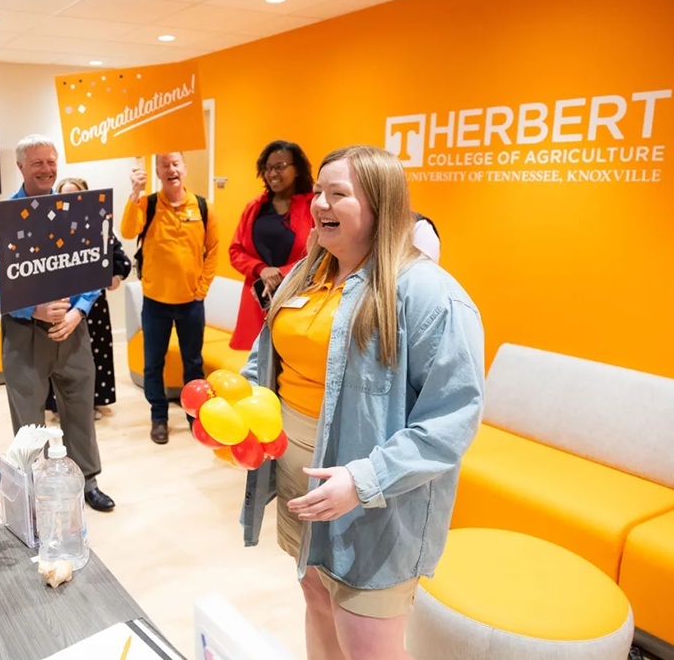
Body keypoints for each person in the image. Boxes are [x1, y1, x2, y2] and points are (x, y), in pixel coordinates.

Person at [240, 145, 484, 660]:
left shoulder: (428, 295)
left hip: (374, 499)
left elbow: (451, 421)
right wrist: (237, 402)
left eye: (339, 194)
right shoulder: (308, 273)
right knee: (316, 598)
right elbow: (270, 354)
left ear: (380, 205)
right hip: (299, 477)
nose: (321, 205)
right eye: (320, 194)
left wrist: (363, 480)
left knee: (366, 638)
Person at [0, 135, 114, 512]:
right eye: (38, 163)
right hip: (24, 335)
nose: (47, 169)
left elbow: (93, 271)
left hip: (73, 330)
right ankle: (35, 490)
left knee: (80, 409)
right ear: (20, 167)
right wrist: (31, 310)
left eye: (51, 162)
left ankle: (88, 480)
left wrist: (78, 311)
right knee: (28, 420)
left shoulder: (77, 213)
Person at [119, 152, 219, 444]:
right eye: (165, 165)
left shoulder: (203, 207)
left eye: (176, 164)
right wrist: (135, 192)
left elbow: (213, 250)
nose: (171, 169)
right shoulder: (147, 204)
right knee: (153, 363)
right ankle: (158, 416)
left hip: (191, 303)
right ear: (158, 172)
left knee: (193, 363)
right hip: (155, 303)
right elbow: (127, 231)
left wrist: (201, 290)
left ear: (184, 169)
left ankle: (195, 416)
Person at [45, 177, 132, 421]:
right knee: (58, 355)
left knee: (95, 354)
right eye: (64, 197)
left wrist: (115, 275)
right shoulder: (50, 231)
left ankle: (92, 402)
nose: (71, 202)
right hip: (60, 305)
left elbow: (121, 260)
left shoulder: (99, 227)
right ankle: (58, 404)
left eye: (76, 196)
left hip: (94, 306)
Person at [228, 140, 314, 350]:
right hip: (258, 299)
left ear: (297, 170)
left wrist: (282, 273)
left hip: (297, 295)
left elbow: (322, 255)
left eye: (280, 166)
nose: (272, 173)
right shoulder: (254, 207)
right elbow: (235, 251)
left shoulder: (314, 206)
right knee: (256, 365)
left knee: (292, 358)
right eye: (268, 168)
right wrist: (261, 269)